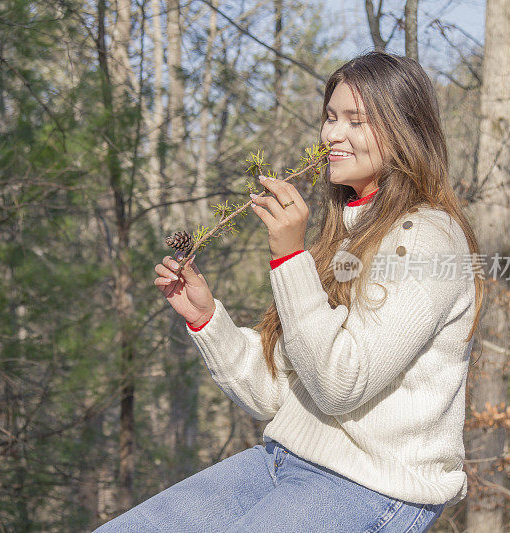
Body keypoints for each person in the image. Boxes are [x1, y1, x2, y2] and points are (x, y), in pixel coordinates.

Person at [95, 51, 484, 532]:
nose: (331, 135)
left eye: (355, 121)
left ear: (404, 131)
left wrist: (289, 258)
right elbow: (276, 391)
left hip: (371, 487)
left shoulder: (429, 238)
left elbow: (341, 385)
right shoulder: (342, 233)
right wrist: (207, 319)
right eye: (330, 117)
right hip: (281, 460)